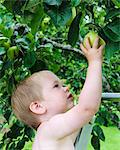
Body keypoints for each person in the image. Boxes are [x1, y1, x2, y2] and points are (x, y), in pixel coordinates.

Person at [11, 37, 104, 150]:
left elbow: (84, 109)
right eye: (56, 86)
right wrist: (95, 61)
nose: (66, 88)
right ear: (38, 106)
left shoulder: (53, 132)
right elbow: (87, 108)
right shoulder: (50, 128)